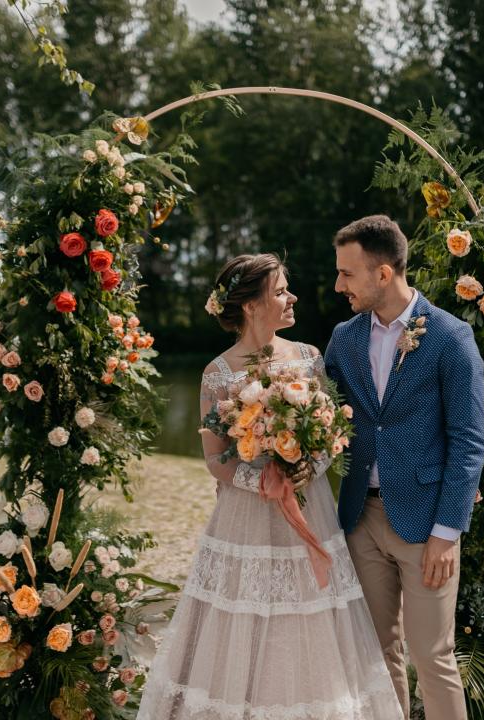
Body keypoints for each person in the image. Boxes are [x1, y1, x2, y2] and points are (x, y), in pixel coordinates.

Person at [137, 253, 404, 720]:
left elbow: (333, 429)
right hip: (247, 513)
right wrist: (262, 479)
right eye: (280, 291)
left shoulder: (308, 357)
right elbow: (216, 458)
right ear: (251, 306)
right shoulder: (217, 373)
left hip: (310, 505)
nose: (291, 296)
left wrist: (308, 468)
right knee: (244, 612)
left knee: (311, 612)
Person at [324, 216, 484, 720]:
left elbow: (468, 443)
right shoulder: (343, 338)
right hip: (361, 519)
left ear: (383, 273)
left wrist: (446, 531)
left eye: (347, 274)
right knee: (376, 653)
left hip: (426, 526)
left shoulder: (450, 337)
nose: (338, 285)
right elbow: (322, 415)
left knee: (431, 655)